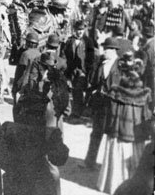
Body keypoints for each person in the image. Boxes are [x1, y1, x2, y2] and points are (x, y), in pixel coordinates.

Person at [97, 52, 152, 193]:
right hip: (135, 135)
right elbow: (146, 117)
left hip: (118, 131)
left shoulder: (115, 92)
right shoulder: (144, 95)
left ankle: (112, 184)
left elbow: (109, 114)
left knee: (116, 155)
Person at [1, 104, 69, 195]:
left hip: (14, 180)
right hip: (40, 184)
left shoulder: (8, 128)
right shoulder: (50, 133)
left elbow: (0, 158)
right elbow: (59, 160)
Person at [83, 37, 121, 170]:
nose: (103, 51)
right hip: (100, 104)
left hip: (113, 106)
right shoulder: (100, 63)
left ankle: (109, 168)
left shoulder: (120, 65)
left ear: (113, 50)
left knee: (112, 136)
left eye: (106, 49)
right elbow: (93, 81)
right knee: (96, 133)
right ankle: (89, 162)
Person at [63, 20, 96, 119]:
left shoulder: (88, 41)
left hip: (82, 70)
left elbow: (91, 57)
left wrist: (87, 70)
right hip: (70, 69)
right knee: (68, 89)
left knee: (78, 90)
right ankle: (67, 110)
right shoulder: (69, 41)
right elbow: (64, 55)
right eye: (78, 30)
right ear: (74, 30)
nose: (80, 32)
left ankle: (77, 112)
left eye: (82, 30)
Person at [12, 32, 41, 108]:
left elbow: (19, 72)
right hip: (34, 85)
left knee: (18, 108)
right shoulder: (40, 54)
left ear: (28, 43)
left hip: (24, 85)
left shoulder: (25, 54)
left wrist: (15, 87)